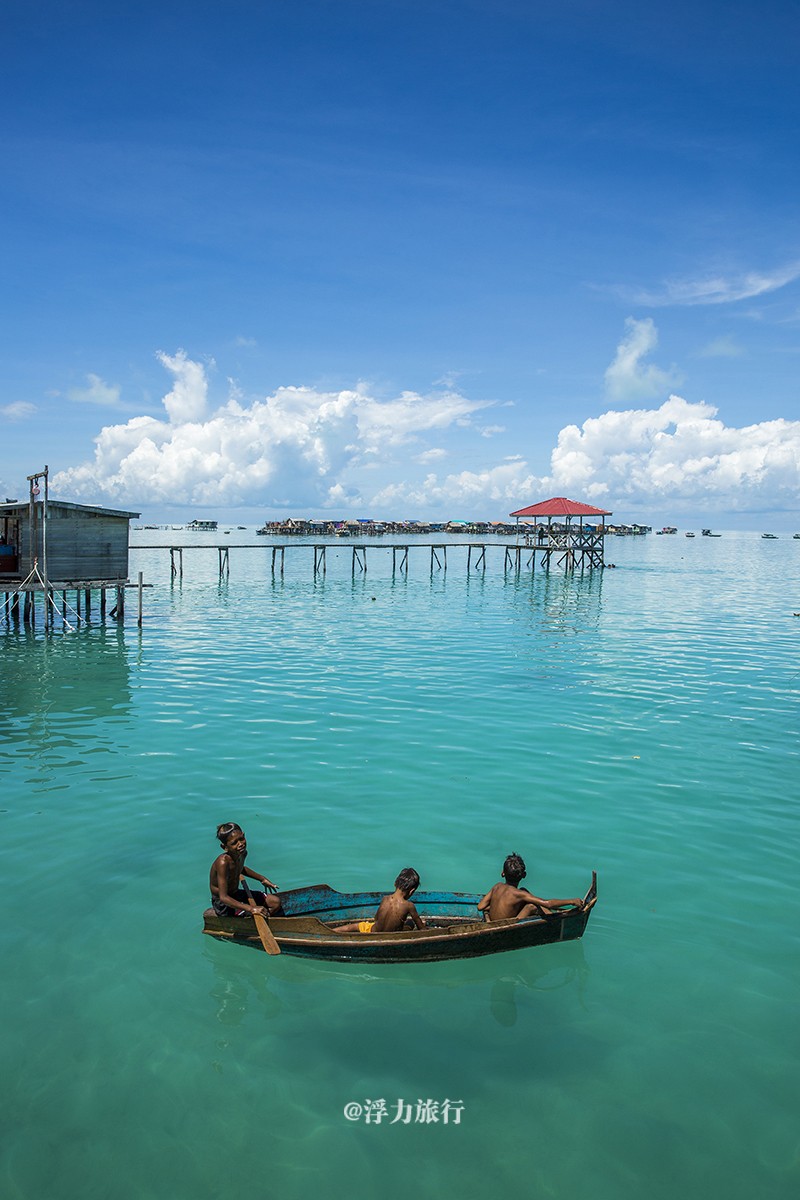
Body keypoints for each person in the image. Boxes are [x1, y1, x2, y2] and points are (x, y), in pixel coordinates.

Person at [478, 853, 584, 922]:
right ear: (524, 876)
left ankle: (552, 914)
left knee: (525, 894)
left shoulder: (497, 886)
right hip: (505, 926)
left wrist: (492, 907)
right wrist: (571, 901)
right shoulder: (519, 894)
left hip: (491, 921)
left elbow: (480, 907)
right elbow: (548, 903)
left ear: (502, 873)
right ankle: (555, 919)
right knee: (532, 906)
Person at [209, 822, 283, 918]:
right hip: (224, 903)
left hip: (236, 893)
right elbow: (223, 897)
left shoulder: (242, 853)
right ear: (224, 847)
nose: (240, 844)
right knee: (255, 914)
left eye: (241, 839)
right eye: (234, 843)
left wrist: (262, 879)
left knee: (275, 902)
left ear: (244, 835)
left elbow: (240, 869)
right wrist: (251, 909)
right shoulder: (223, 863)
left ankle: (261, 919)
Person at [335, 867, 425, 933]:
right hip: (392, 936)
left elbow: (376, 918)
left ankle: (332, 931)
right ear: (412, 891)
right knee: (410, 922)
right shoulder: (409, 906)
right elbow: (421, 928)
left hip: (373, 931)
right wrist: (424, 926)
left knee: (356, 926)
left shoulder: (385, 899)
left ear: (395, 884)